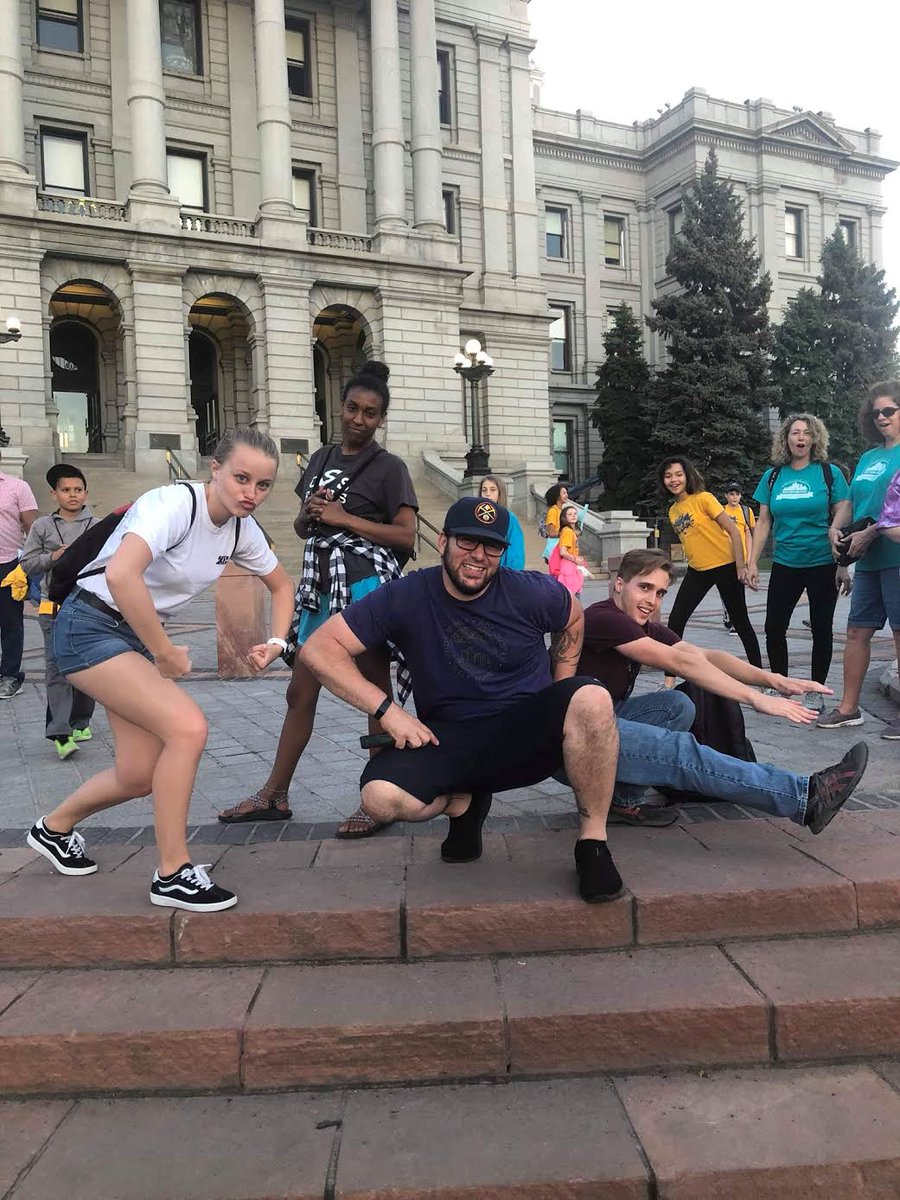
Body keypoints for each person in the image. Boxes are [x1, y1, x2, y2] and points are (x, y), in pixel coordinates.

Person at [300, 495, 626, 904]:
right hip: (446, 737)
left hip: (521, 729)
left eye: (491, 546)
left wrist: (561, 689)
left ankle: (592, 843)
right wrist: (389, 712)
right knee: (379, 798)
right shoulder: (407, 594)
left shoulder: (530, 591)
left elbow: (573, 616)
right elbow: (319, 649)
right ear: (443, 542)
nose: (478, 556)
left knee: (592, 698)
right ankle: (462, 804)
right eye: (467, 542)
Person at [25, 427, 294, 912]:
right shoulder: (172, 504)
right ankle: (172, 872)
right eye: (241, 478)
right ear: (214, 469)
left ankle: (53, 828)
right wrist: (165, 651)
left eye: (263, 485)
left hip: (128, 638)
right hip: (88, 626)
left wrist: (276, 642)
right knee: (188, 728)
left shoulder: (240, 529)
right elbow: (120, 574)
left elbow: (281, 585)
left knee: (137, 774)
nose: (251, 494)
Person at [218, 361, 418, 836]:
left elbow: (407, 537)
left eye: (370, 413)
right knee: (299, 691)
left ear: (381, 419)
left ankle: (378, 797)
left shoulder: (390, 468)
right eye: (352, 408)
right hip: (319, 587)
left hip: (364, 588)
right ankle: (275, 794)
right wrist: (311, 517)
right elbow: (306, 528)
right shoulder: (322, 457)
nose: (358, 419)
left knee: (373, 694)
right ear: (340, 405)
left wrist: (345, 518)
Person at [574, 549, 866, 830]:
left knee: (677, 704)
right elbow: (680, 662)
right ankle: (804, 798)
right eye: (644, 588)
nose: (651, 600)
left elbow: (707, 656)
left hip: (605, 714)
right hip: (576, 737)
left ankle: (623, 802)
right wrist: (755, 698)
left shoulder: (639, 623)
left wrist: (774, 680)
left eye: (660, 593)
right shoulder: (605, 618)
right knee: (680, 751)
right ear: (619, 585)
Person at [818, 383, 900, 736]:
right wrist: (834, 531)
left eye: (889, 411)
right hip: (867, 559)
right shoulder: (869, 458)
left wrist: (875, 531)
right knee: (856, 631)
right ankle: (848, 708)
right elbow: (851, 503)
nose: (881, 418)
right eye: (876, 413)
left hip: (897, 555)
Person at [747, 414, 851, 684]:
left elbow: (844, 509)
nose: (800, 437)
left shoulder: (830, 473)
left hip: (822, 562)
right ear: (786, 438)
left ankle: (817, 689)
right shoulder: (773, 476)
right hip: (785, 563)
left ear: (815, 439)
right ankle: (781, 685)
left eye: (806, 433)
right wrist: (751, 562)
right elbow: (764, 521)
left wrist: (841, 555)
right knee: (774, 627)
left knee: (821, 629)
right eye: (795, 432)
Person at [19, 465, 98, 759]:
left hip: (91, 607)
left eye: (78, 490)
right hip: (53, 605)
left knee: (89, 665)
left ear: (86, 493)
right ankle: (60, 732)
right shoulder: (42, 526)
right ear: (54, 494)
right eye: (66, 490)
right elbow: (27, 564)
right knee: (56, 667)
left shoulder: (97, 525)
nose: (73, 495)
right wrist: (54, 556)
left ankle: (80, 721)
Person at [659, 456, 762, 669]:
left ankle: (763, 679)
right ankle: (669, 680)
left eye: (678, 474)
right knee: (676, 621)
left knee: (742, 624)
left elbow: (734, 531)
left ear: (687, 476)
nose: (674, 480)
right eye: (668, 476)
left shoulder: (704, 498)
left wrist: (741, 566)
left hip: (726, 566)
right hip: (697, 571)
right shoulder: (673, 511)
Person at [0, 454, 38, 699]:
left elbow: (33, 529)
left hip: (8, 564)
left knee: (10, 623)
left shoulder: (17, 487)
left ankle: (10, 675)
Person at [721, 482, 755, 634]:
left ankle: (737, 623)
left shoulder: (746, 511)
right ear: (726, 496)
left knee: (738, 590)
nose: (734, 497)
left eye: (737, 494)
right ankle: (728, 612)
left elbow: (748, 534)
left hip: (741, 558)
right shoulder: (721, 511)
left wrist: (749, 557)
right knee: (725, 589)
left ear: (741, 495)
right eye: (731, 494)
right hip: (724, 557)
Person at [479, 476, 525, 568]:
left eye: (492, 490)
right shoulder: (474, 516)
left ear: (500, 493)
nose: (488, 494)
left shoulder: (509, 518)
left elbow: (516, 552)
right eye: (484, 490)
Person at [554, 502, 585, 597]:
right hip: (569, 567)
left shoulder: (567, 531)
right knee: (573, 598)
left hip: (568, 566)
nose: (573, 516)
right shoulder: (568, 532)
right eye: (570, 514)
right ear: (564, 518)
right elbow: (563, 552)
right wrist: (575, 559)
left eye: (575, 514)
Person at [541, 482, 569, 564]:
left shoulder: (561, 511)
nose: (567, 495)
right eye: (564, 493)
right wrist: (566, 533)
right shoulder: (553, 511)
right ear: (557, 496)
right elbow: (551, 532)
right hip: (555, 549)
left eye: (566, 493)